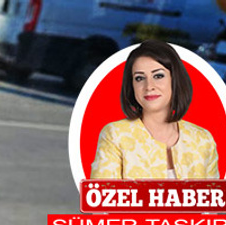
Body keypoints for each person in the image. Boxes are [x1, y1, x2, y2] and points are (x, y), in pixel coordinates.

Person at [90, 40, 219, 180]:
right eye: (139, 78)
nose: (149, 86)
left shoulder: (203, 139)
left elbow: (214, 199)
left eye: (158, 76)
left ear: (175, 79)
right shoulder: (115, 135)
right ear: (131, 86)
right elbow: (103, 197)